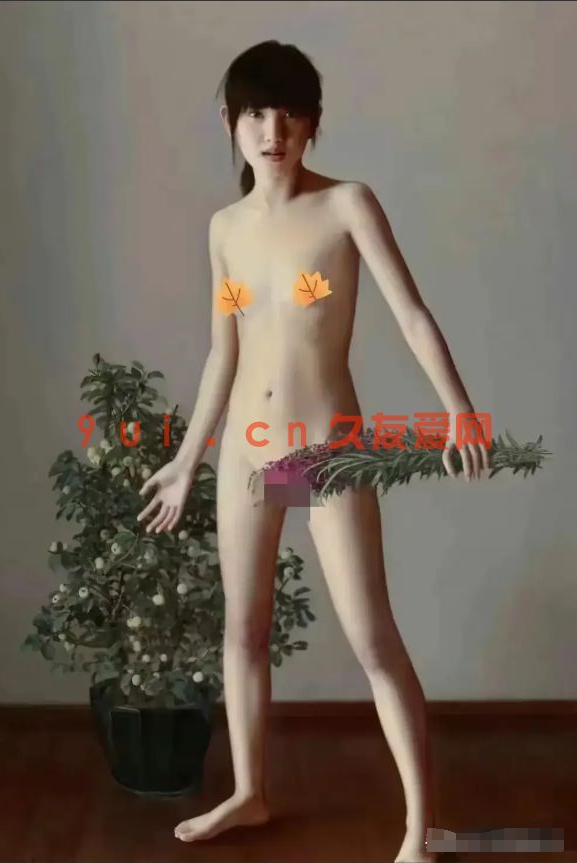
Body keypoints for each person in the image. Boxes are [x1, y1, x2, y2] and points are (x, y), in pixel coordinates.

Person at [136, 40, 489, 863]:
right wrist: (188, 460)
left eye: (290, 113)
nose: (273, 130)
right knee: (243, 631)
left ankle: (417, 832)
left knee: (372, 638)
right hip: (247, 452)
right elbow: (223, 351)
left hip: (324, 452)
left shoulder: (345, 206)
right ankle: (249, 792)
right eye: (256, 113)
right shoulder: (224, 230)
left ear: (312, 124)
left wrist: (458, 410)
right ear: (229, 122)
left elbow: (410, 313)